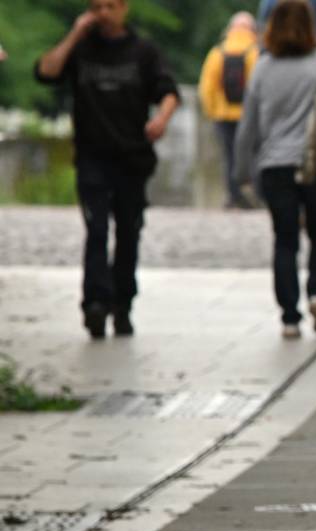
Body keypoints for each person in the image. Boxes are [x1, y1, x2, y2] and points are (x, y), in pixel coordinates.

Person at [35, 0, 180, 340]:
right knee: (96, 230)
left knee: (128, 232)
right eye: (97, 6)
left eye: (110, 5)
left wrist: (161, 119)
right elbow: (46, 72)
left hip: (132, 157)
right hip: (92, 156)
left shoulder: (143, 51)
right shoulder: (81, 49)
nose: (103, 13)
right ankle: (95, 303)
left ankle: (123, 302)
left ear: (124, 8)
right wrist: (74, 34)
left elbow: (168, 91)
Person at [234, 0, 316, 339]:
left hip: (275, 165)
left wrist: (241, 170)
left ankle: (289, 316)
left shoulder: (263, 68)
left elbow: (248, 126)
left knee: (285, 239)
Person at [198, 12, 259, 210]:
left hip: (222, 114)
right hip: (248, 115)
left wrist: (212, 111)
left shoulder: (217, 53)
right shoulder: (254, 52)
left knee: (230, 155)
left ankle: (234, 195)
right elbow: (259, 87)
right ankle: (255, 194)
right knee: (253, 154)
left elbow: (206, 87)